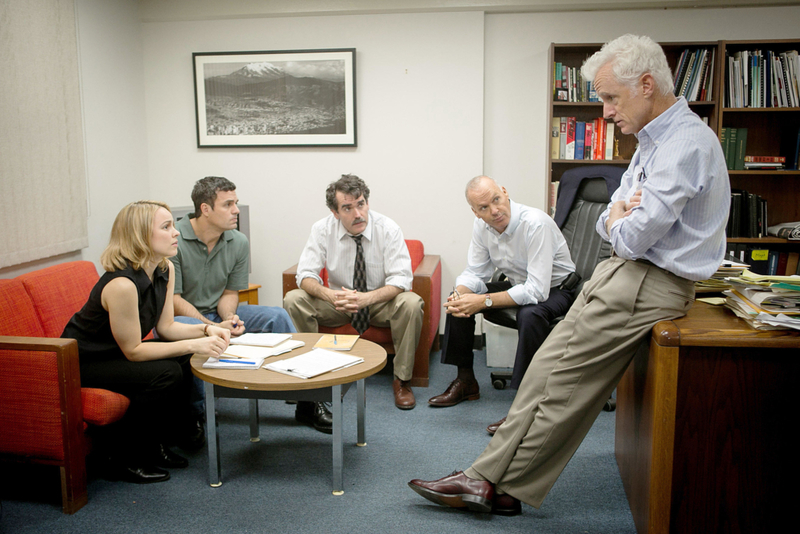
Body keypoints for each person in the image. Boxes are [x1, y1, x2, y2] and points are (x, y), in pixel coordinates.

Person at [408, 34, 730, 515]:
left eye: (610, 97)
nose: (605, 112)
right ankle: (504, 485)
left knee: (561, 383)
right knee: (544, 373)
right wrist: (620, 214)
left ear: (646, 85)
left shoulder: (683, 144)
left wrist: (620, 217)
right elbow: (611, 221)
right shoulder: (651, 143)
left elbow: (630, 235)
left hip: (647, 279)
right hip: (625, 273)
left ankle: (483, 479)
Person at [62, 201, 232, 484]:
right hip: (84, 362)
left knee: (181, 361)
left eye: (172, 225)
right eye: (166, 227)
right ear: (140, 236)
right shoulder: (121, 285)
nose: (176, 232)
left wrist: (206, 330)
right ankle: (123, 456)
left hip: (116, 354)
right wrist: (195, 344)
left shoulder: (164, 269)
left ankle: (156, 443)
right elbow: (134, 351)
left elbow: (166, 328)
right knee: (166, 372)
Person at [429, 175, 577, 436]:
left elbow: (537, 290)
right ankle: (466, 381)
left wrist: (483, 300)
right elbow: (475, 272)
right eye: (484, 208)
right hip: (519, 284)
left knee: (530, 315)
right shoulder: (482, 227)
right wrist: (462, 294)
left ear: (505, 193)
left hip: (558, 290)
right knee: (459, 302)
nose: (494, 211)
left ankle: (524, 406)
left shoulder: (536, 224)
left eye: (496, 200)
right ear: (475, 212)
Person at [284, 174, 425, 411]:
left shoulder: (388, 229)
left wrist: (366, 298)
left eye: (360, 204)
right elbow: (305, 275)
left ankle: (402, 380)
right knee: (294, 299)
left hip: (379, 303)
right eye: (347, 208)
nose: (357, 214)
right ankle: (308, 375)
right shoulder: (322, 229)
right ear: (335, 212)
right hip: (338, 302)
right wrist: (331, 296)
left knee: (411, 302)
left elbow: (402, 280)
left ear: (367, 203)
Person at [170, 176, 299, 433]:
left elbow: (230, 292)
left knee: (277, 316)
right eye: (228, 204)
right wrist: (211, 326)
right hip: (182, 318)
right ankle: (197, 414)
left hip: (215, 316)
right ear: (205, 209)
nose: (236, 210)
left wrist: (229, 318)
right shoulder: (174, 241)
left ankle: (308, 399)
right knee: (188, 326)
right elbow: (173, 301)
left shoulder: (238, 241)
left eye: (236, 203)